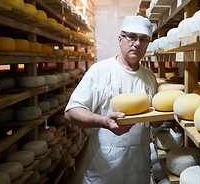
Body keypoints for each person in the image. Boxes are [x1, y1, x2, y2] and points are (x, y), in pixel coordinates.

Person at [64, 16, 162, 184]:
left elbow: (154, 122)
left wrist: (163, 114)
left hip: (139, 166)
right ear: (120, 39)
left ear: (147, 44)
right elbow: (71, 113)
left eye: (143, 39)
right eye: (131, 36)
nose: (137, 43)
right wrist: (103, 121)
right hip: (105, 167)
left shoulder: (149, 77)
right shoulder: (100, 70)